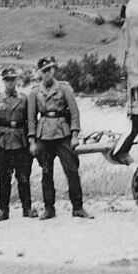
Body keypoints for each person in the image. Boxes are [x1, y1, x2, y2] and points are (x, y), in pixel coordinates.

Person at [28, 56, 93, 220]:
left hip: (62, 134)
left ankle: (78, 208)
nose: (48, 74)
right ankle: (49, 209)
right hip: (44, 136)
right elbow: (31, 118)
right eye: (44, 71)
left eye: (50, 70)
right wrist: (32, 141)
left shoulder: (64, 89)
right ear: (40, 73)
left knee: (71, 171)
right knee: (46, 173)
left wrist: (75, 135)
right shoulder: (35, 92)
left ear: (54, 71)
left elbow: (74, 112)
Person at [0, 67, 38, 220]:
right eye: (7, 79)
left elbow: (31, 120)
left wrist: (31, 140)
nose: (10, 82)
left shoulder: (24, 98)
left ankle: (27, 208)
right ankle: (4, 210)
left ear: (17, 81)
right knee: (3, 178)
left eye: (13, 79)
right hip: (2, 143)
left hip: (20, 142)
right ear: (3, 81)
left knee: (23, 177)